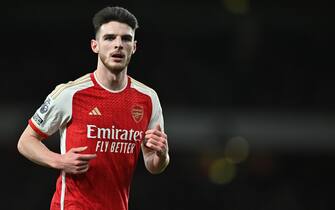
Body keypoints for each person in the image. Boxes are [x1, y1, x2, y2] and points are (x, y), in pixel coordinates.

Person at [17, 6, 170, 210]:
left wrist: (162, 155)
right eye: (109, 38)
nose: (118, 45)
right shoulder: (70, 93)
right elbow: (26, 141)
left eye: (125, 39)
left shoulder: (148, 98)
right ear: (95, 45)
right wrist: (59, 160)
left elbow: (153, 165)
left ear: (134, 47)